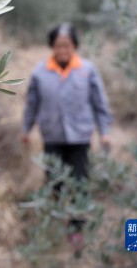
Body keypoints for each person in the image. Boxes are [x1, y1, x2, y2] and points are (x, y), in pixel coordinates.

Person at [21, 23, 113, 254]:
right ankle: (58, 218)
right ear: (52, 46)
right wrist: (26, 129)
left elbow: (100, 104)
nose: (62, 49)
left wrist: (105, 132)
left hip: (80, 138)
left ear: (74, 46)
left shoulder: (87, 70)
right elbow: (32, 103)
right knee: (55, 182)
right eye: (58, 45)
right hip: (52, 136)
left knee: (80, 182)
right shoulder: (40, 72)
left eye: (67, 45)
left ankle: (76, 229)